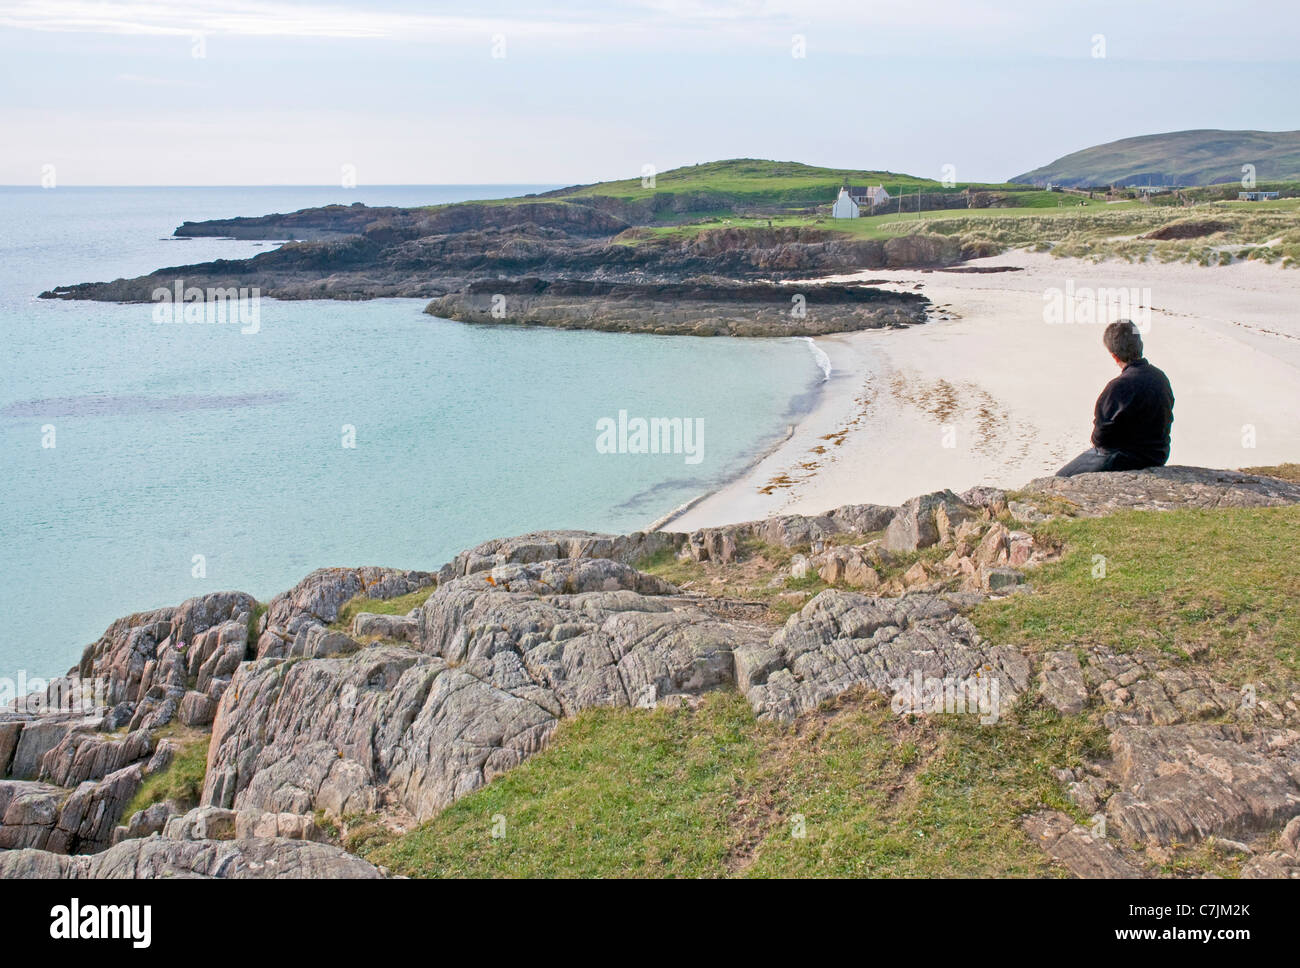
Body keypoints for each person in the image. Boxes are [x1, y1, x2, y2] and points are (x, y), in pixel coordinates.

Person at [1056, 319, 1174, 477]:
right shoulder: (1160, 377)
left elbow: (1100, 437)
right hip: (1158, 454)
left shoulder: (1118, 387)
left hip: (1127, 457)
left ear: (1114, 356)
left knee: (1062, 478)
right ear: (1140, 345)